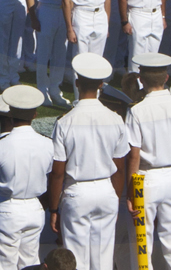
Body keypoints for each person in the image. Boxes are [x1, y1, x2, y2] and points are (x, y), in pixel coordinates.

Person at [50, 53, 129, 270]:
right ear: (101, 85)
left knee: (76, 261)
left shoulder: (65, 122)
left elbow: (58, 172)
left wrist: (54, 208)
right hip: (106, 191)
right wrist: (114, 196)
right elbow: (119, 168)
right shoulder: (115, 119)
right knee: (103, 260)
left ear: (77, 83)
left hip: (77, 193)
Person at [125, 52, 171, 270]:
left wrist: (130, 192)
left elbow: (134, 155)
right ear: (166, 78)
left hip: (146, 179)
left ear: (141, 79)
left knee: (143, 242)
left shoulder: (137, 110)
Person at [0, 85, 52, 270]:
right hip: (35, 209)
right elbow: (50, 174)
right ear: (35, 114)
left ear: (10, 113)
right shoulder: (47, 143)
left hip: (8, 208)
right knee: (30, 262)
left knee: (5, 265)